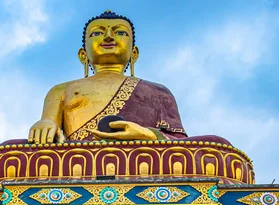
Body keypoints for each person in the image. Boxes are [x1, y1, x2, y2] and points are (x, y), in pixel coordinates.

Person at [28, 10, 188, 144]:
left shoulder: (157, 91)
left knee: (212, 144)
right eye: (97, 33)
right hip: (79, 158)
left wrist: (147, 135)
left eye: (120, 32)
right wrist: (46, 125)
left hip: (140, 157)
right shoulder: (61, 90)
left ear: (134, 54)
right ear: (83, 55)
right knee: (9, 151)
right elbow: (51, 130)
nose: (109, 37)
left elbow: (178, 141)